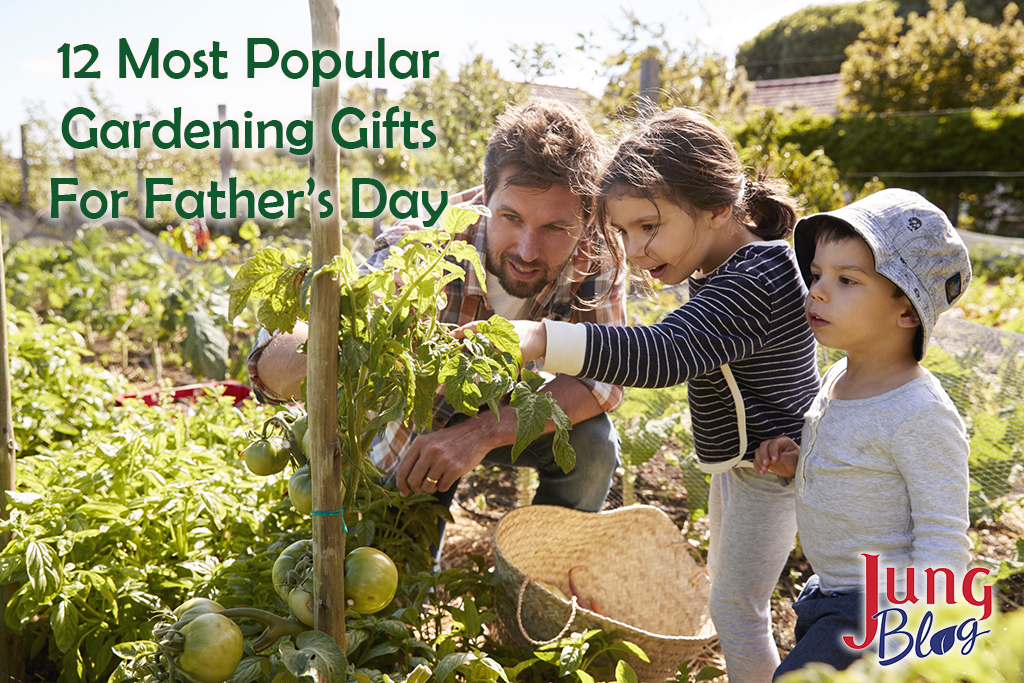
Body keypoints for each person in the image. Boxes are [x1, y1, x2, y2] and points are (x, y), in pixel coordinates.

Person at [493, 108, 822, 683]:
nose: (636, 249)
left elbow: (666, 351)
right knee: (732, 598)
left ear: (719, 207)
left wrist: (544, 338)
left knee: (737, 613)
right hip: (748, 464)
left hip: (774, 469)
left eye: (649, 226)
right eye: (623, 232)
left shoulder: (757, 276)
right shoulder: (725, 262)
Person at [248, 98, 627, 554]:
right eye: (511, 218)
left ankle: (540, 578)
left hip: (508, 407)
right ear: (486, 196)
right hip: (420, 424)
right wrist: (324, 344)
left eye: (555, 228)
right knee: (395, 570)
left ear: (585, 220)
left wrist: (481, 433)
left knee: (592, 444)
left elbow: (600, 379)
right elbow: (278, 361)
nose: (528, 249)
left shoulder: (597, 254)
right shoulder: (427, 244)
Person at [754, 188, 973, 678]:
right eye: (817, 275)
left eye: (847, 279)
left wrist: (918, 647)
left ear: (908, 312)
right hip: (830, 592)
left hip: (881, 614)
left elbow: (943, 538)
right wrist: (800, 460)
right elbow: (858, 465)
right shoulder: (838, 377)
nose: (818, 291)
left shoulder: (920, 413)